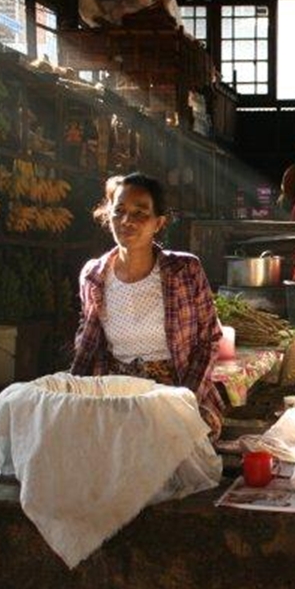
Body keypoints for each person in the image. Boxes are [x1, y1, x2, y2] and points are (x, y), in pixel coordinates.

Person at [70, 173, 225, 440]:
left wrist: (185, 400)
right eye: (119, 211)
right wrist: (71, 391)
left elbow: (209, 339)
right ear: (109, 216)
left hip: (177, 390)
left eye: (140, 213)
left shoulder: (185, 270)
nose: (127, 221)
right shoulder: (93, 275)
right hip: (116, 394)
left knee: (164, 445)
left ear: (158, 223)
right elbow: (87, 339)